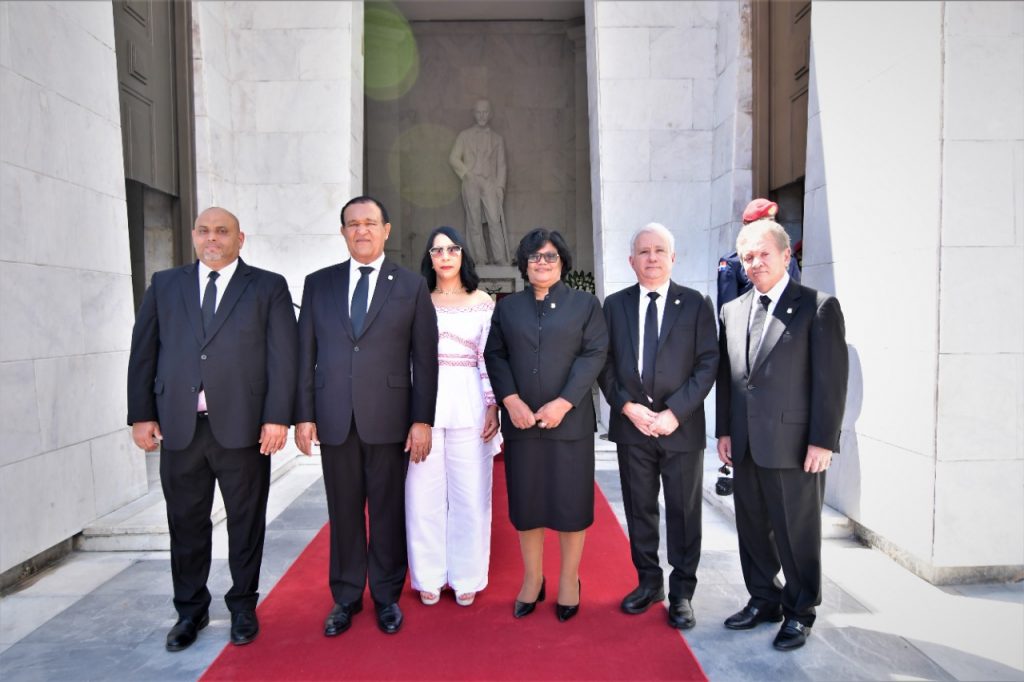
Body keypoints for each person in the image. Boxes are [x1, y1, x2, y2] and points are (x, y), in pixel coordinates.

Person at [126, 207, 298, 651]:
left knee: (245, 521)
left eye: (222, 232)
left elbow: (284, 357)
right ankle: (190, 610)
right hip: (179, 429)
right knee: (185, 523)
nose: (212, 239)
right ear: (193, 236)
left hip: (243, 429)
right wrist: (141, 414)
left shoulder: (267, 286)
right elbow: (144, 351)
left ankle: (243, 606)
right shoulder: (166, 285)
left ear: (241, 238)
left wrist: (278, 416)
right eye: (204, 231)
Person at [294, 196, 439, 637]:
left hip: (390, 419)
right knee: (343, 512)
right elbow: (306, 355)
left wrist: (422, 420)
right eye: (353, 224)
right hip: (334, 416)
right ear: (342, 232)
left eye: (370, 223)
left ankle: (387, 596)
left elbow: (425, 358)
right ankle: (345, 596)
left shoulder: (410, 285)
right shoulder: (318, 284)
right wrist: (303, 415)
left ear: (386, 230)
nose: (362, 231)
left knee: (387, 510)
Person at [716, 219, 848, 651]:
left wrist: (823, 441)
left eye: (763, 254)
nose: (754, 264)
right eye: (747, 257)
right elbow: (727, 376)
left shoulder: (817, 306)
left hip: (795, 445)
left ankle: (800, 610)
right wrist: (724, 431)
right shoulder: (732, 310)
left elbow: (831, 381)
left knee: (796, 532)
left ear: (786, 255)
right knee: (753, 528)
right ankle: (764, 599)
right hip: (746, 443)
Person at [484, 228, 608, 622]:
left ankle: (570, 580)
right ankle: (532, 579)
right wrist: (511, 400)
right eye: (535, 256)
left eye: (550, 256)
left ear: (563, 262)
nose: (542, 262)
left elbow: (594, 354)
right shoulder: (507, 308)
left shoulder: (585, 305)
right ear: (524, 263)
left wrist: (564, 402)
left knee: (570, 504)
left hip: (568, 425)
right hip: (521, 424)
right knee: (527, 503)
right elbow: (495, 355)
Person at [598, 223, 718, 630]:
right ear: (631, 260)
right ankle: (649, 583)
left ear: (673, 257)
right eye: (643, 251)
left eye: (659, 250)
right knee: (640, 509)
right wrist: (627, 407)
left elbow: (707, 364)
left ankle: (682, 592)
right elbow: (606, 364)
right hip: (633, 428)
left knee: (684, 514)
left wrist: (675, 413)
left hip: (679, 429)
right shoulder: (613, 306)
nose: (651, 258)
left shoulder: (696, 304)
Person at [406, 226, 502, 608]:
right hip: (424, 406)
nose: (445, 256)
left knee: (471, 494)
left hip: (471, 401)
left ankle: (467, 575)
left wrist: (493, 404)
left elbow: (489, 356)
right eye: (436, 250)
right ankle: (428, 575)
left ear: (463, 254)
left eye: (452, 248)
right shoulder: (417, 299)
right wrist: (411, 416)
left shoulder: (482, 301)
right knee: (421, 494)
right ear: (429, 258)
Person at [449, 99, 511, 265]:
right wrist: (466, 174)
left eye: (485, 112)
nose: (482, 115)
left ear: (490, 114)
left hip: (490, 182)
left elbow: (502, 165)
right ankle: (480, 259)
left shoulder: (497, 139)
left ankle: (499, 257)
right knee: (474, 221)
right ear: (474, 114)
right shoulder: (465, 136)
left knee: (494, 220)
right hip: (471, 181)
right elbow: (454, 158)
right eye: (479, 112)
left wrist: (500, 187)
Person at [717, 198, 801, 312]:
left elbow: (796, 302)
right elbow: (727, 312)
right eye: (763, 224)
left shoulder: (788, 260)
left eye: (772, 222)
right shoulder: (732, 263)